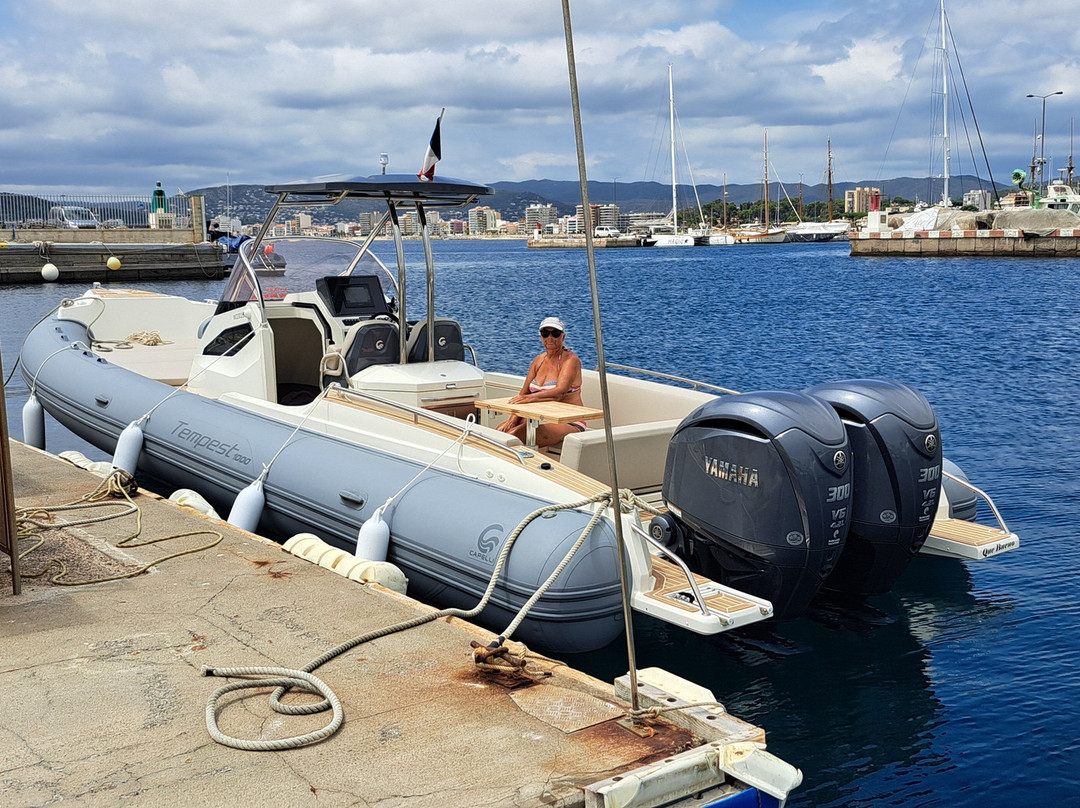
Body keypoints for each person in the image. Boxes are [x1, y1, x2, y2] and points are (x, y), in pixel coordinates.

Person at [495, 316, 586, 447]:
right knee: (499, 432)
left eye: (555, 334)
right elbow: (524, 393)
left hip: (567, 421)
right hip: (539, 417)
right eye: (545, 333)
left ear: (563, 337)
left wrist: (531, 398)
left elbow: (559, 392)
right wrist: (513, 418)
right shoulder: (538, 360)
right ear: (540, 337)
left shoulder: (570, 360)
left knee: (512, 437)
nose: (550, 338)